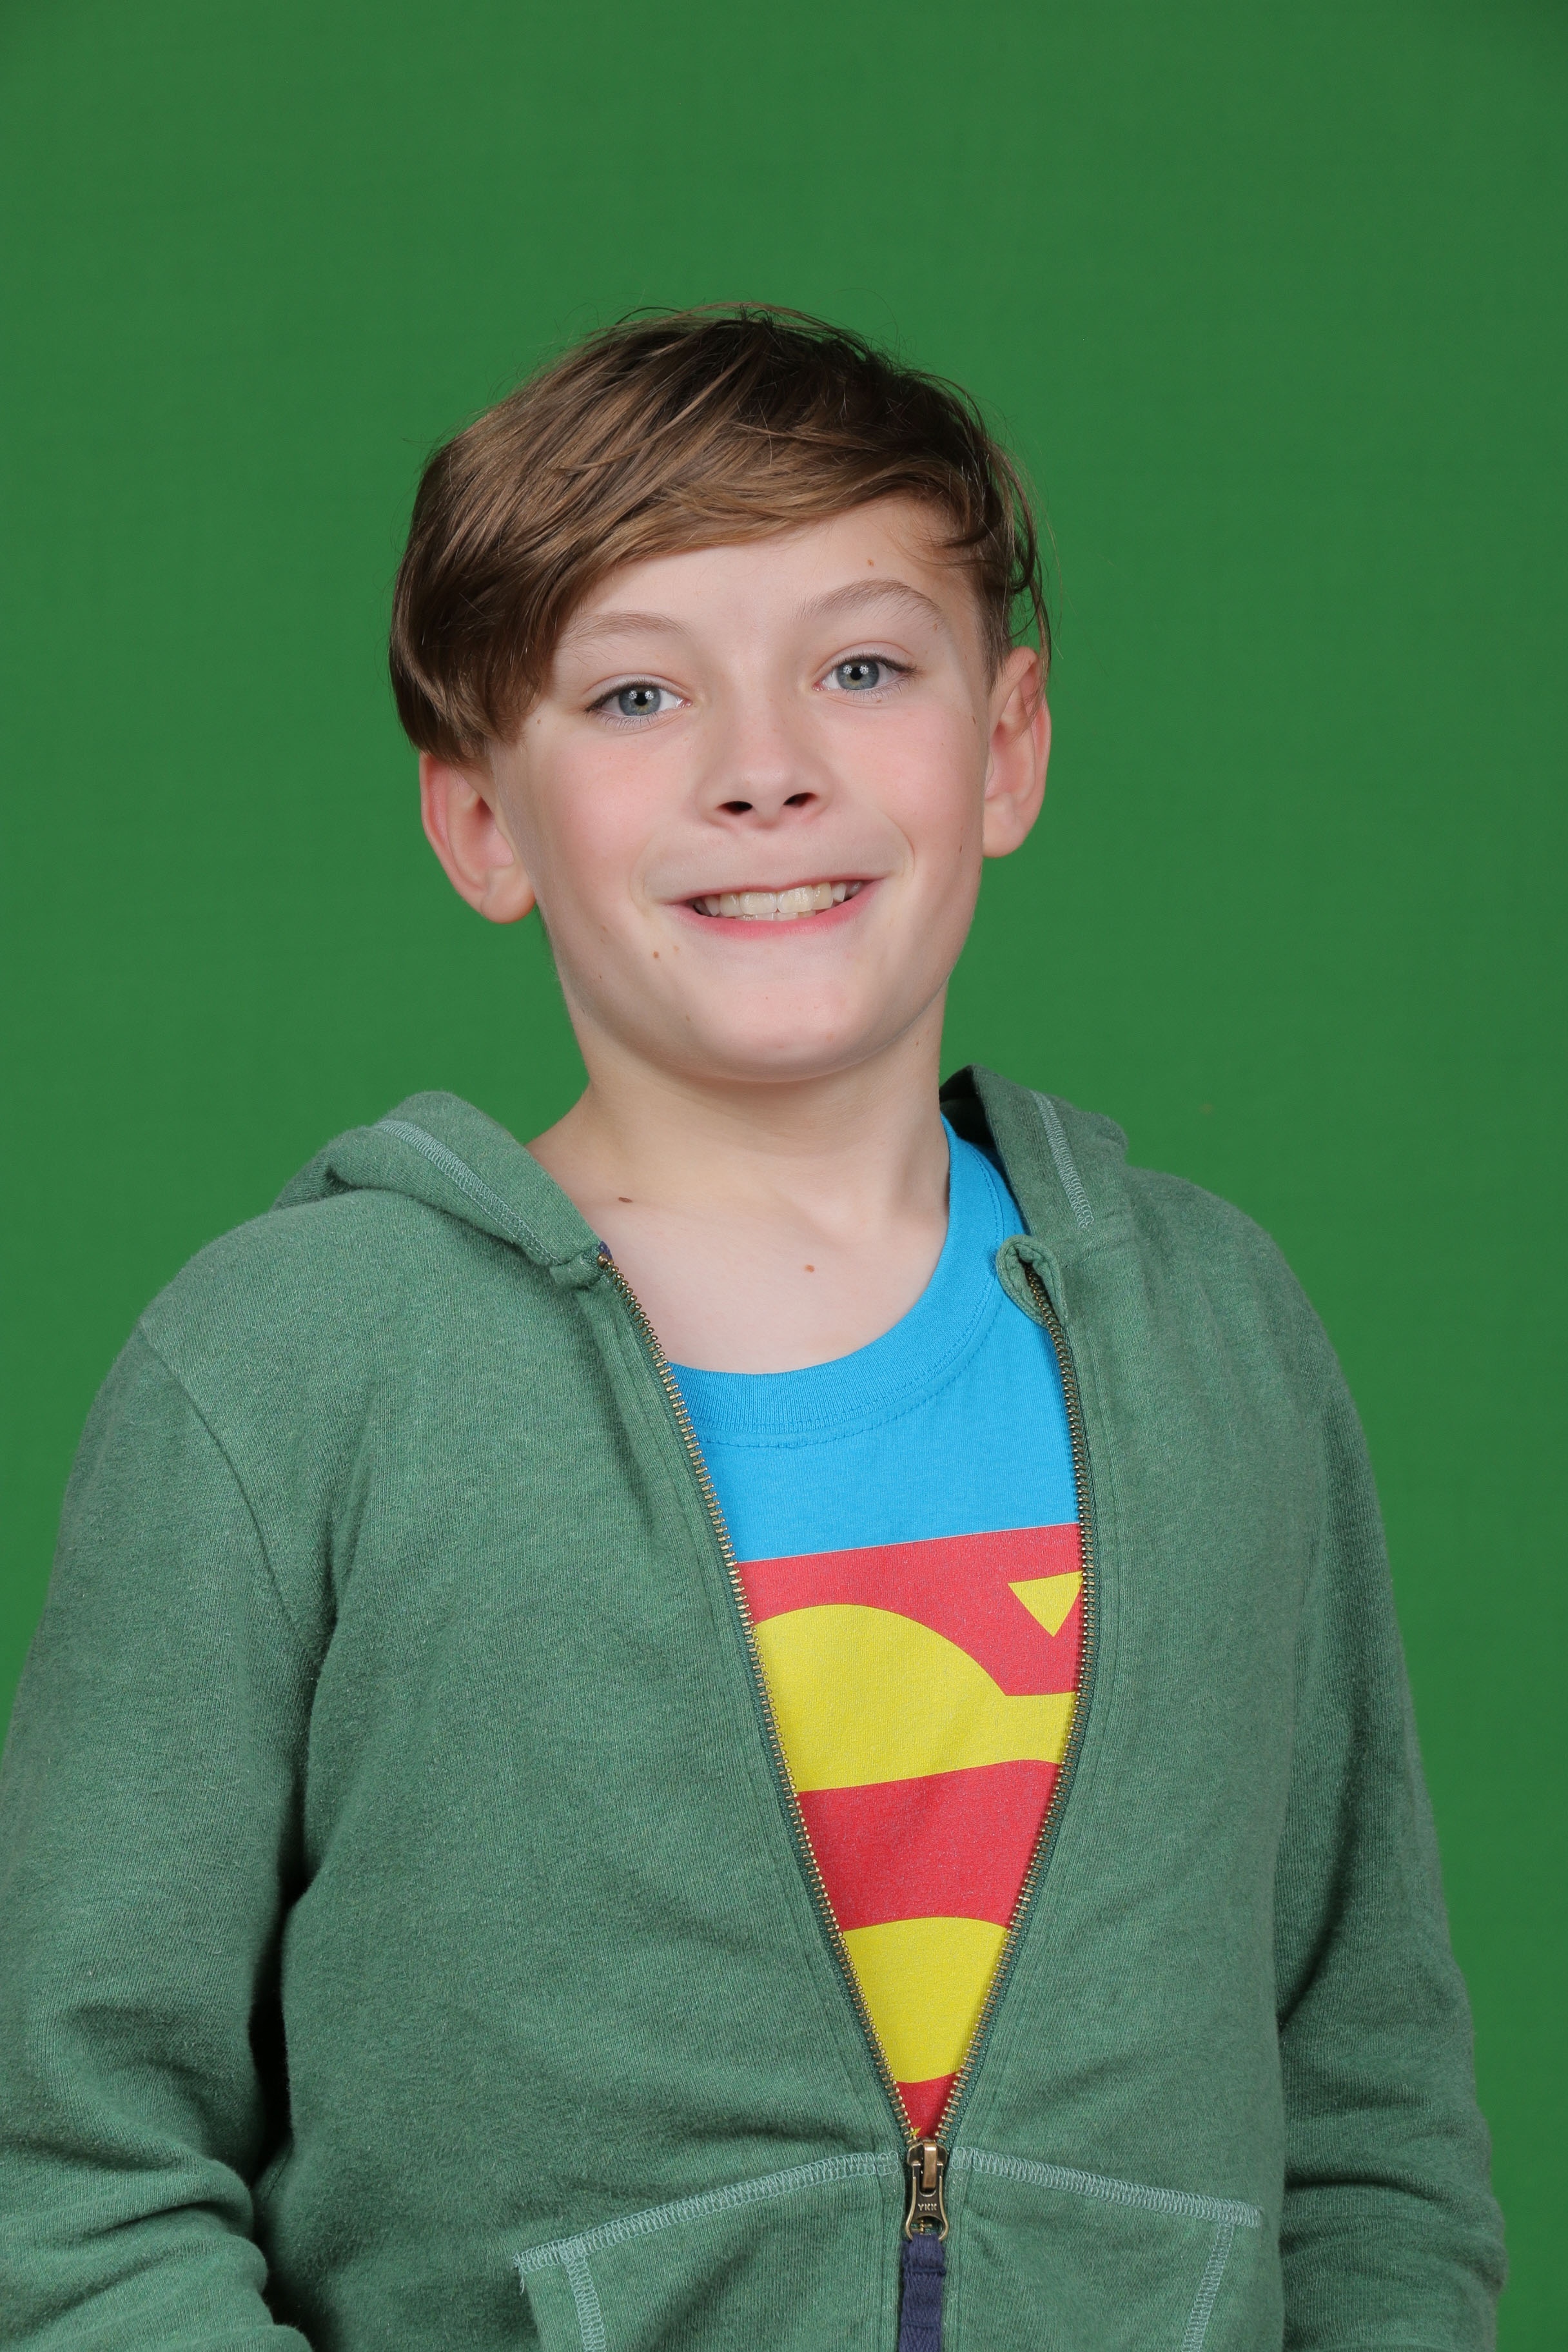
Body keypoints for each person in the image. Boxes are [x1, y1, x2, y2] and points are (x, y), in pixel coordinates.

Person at [0, 308, 1503, 2352]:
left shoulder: (1215, 1335)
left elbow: (1372, 2122)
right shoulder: (291, 1369)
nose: (765, 768)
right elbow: (74, 2174)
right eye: (638, 693)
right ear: (484, 822)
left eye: (862, 668)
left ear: (1008, 746)